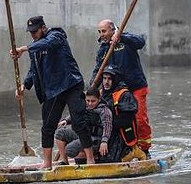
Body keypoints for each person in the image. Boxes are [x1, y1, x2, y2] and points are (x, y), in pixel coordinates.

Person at [10, 15, 95, 169]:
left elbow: (48, 44)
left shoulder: (56, 35)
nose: (33, 35)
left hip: (71, 84)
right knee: (47, 127)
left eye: (35, 32)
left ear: (43, 28)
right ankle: (47, 163)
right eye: (30, 32)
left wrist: (24, 48)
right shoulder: (35, 48)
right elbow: (33, 71)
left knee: (78, 122)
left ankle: (90, 159)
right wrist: (24, 86)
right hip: (53, 90)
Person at [91, 19, 152, 157]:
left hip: (135, 86)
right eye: (99, 32)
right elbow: (98, 70)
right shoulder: (103, 49)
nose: (102, 35)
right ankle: (123, 148)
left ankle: (144, 149)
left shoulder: (126, 39)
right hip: (116, 91)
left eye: (104, 31)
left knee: (139, 119)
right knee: (113, 118)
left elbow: (140, 42)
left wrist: (121, 36)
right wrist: (92, 88)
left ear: (112, 30)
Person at [54, 86, 113, 165]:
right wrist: (66, 120)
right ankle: (64, 162)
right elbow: (76, 114)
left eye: (93, 101)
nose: (90, 103)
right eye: (88, 100)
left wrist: (104, 141)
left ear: (99, 100)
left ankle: (92, 158)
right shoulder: (85, 106)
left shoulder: (105, 111)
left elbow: (107, 127)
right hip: (84, 135)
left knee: (69, 150)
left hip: (96, 140)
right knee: (60, 133)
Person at [100, 64, 146, 162]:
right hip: (103, 132)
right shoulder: (100, 94)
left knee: (108, 160)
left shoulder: (124, 95)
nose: (106, 82)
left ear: (115, 79)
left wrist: (106, 124)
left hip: (119, 136)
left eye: (109, 79)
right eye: (104, 78)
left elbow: (126, 120)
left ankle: (132, 152)